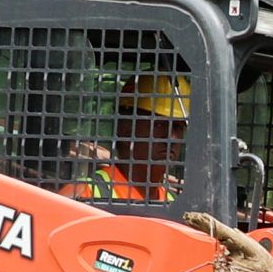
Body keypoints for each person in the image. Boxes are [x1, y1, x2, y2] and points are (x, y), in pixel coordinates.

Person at [67, 73, 189, 202]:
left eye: (178, 127)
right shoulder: (83, 194)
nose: (172, 137)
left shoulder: (174, 205)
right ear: (126, 132)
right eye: (159, 124)